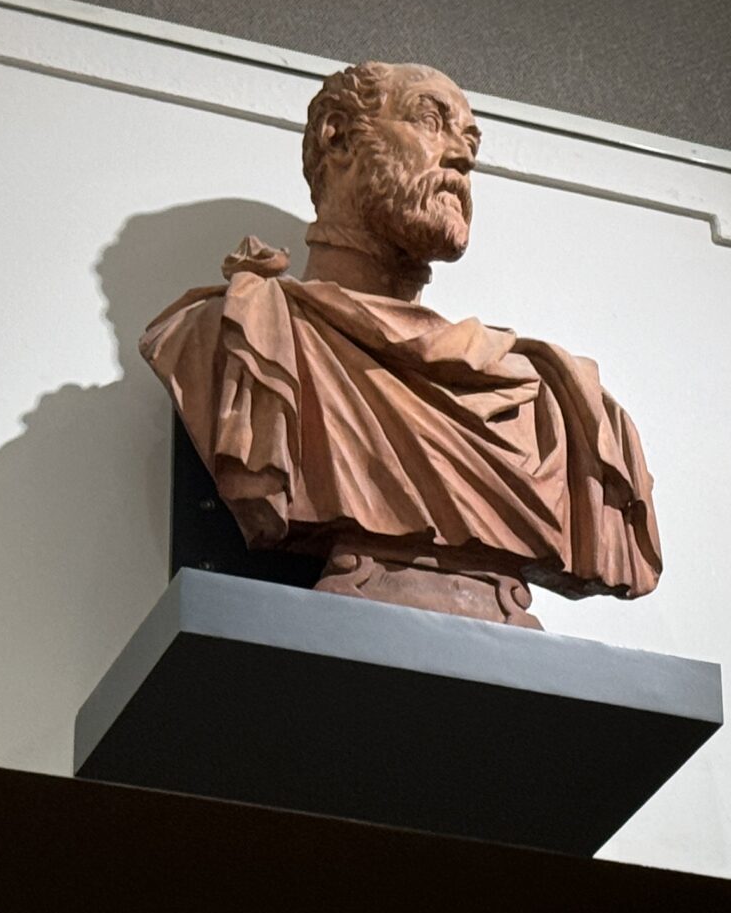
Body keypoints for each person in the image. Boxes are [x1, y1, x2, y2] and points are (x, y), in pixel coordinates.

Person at [140, 62, 662, 627]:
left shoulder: (556, 405)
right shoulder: (246, 341)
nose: (461, 158)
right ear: (338, 138)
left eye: (470, 142)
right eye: (430, 122)